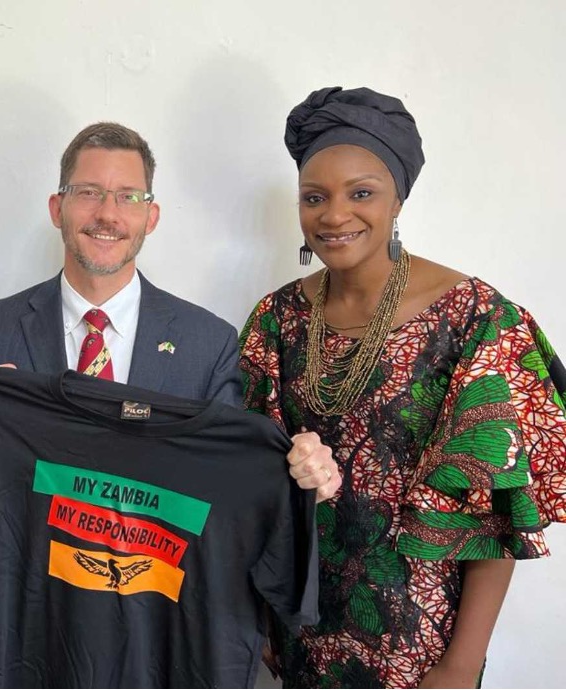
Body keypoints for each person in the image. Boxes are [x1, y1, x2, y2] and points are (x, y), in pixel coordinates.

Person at [239, 86, 566, 688]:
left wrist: (462, 663)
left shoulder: (473, 319)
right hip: (302, 629)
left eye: (361, 192)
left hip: (423, 639)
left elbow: (495, 507)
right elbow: (248, 483)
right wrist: (260, 617)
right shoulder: (276, 320)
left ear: (397, 200)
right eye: (315, 198)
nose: (334, 215)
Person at [0, 121, 341, 499]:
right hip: (29, 582)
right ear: (56, 208)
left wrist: (297, 470)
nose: (107, 214)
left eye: (128, 197)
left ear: (151, 217)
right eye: (88, 193)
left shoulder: (208, 344)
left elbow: (229, 478)